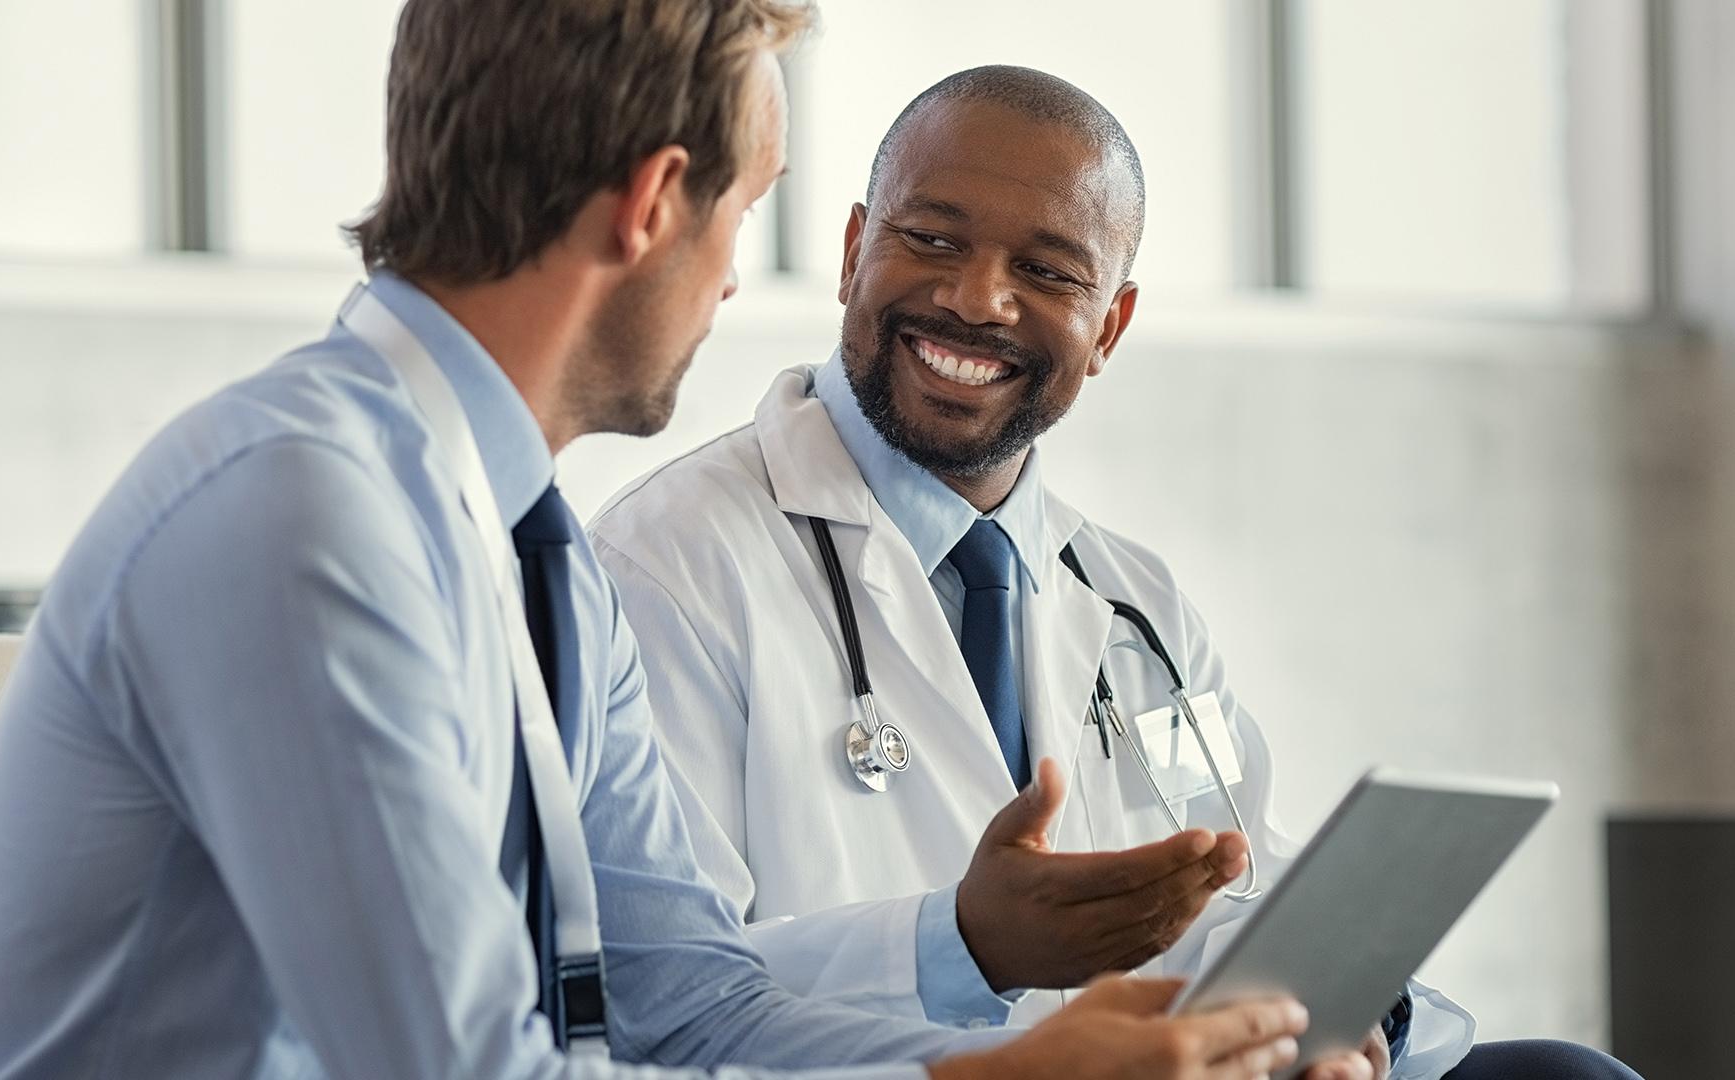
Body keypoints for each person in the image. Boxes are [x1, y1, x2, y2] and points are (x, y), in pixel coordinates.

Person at [0, 9, 1326, 1080]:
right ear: (658, 202)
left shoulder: (535, 558)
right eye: (748, 208)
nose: (734, 276)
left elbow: (686, 1003)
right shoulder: (306, 520)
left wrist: (1010, 1061)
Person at [589, 66, 1643, 1080]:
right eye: (932, 238)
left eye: (1047, 272)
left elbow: (1241, 885)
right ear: (856, 248)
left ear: (1112, 327)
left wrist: (1343, 1017)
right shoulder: (670, 565)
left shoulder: (1134, 606)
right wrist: (957, 944)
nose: (978, 298)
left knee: (1566, 1075)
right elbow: (656, 1004)